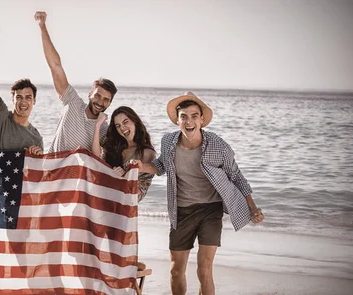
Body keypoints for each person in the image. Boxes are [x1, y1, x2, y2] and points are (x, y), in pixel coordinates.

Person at [132, 91, 265, 295]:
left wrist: (252, 207)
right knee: (176, 271)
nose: (189, 121)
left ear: (202, 120)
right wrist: (143, 166)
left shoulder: (217, 145)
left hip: (210, 211)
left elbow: (236, 176)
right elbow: (161, 166)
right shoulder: (168, 142)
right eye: (184, 116)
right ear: (177, 120)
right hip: (181, 212)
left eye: (194, 116)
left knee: (204, 270)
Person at [34, 11, 118, 153]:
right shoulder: (73, 102)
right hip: (52, 172)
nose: (100, 102)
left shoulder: (104, 129)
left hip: (76, 175)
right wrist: (42, 26)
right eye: (97, 95)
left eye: (106, 100)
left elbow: (107, 158)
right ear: (90, 94)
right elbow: (55, 66)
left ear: (109, 103)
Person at [0, 28, 43, 155]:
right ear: (12, 99)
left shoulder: (36, 138)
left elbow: (37, 173)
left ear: (34, 101)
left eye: (28, 97)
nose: (23, 102)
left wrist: (39, 157)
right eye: (19, 97)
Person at [92, 106, 156, 202]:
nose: (122, 128)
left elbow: (138, 193)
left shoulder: (147, 153)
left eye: (125, 122)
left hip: (123, 209)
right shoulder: (114, 147)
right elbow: (96, 157)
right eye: (118, 126)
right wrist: (97, 125)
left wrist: (123, 177)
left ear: (135, 121)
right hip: (103, 200)